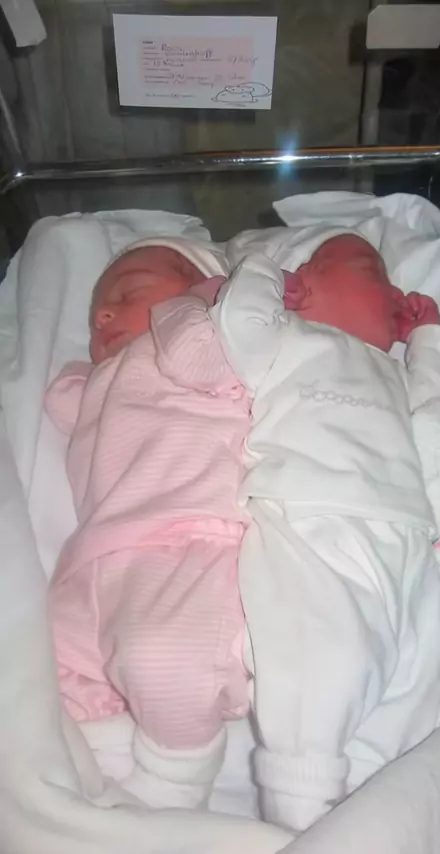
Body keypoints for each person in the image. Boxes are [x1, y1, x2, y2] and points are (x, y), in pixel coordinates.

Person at [211, 232, 440, 832]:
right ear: (304, 289)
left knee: (415, 670)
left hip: (408, 531)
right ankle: (300, 796)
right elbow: (241, 320)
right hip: (312, 515)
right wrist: (264, 271)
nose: (396, 290)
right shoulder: (291, 342)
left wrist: (429, 336)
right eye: (371, 270)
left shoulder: (391, 372)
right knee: (320, 652)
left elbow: (435, 396)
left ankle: (373, 803)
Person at [45, 237, 250, 809]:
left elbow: (226, 356)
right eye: (95, 315)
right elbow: (64, 403)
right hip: (94, 559)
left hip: (185, 541)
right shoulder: (104, 376)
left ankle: (179, 779)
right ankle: (108, 755)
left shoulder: (198, 348)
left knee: (162, 657)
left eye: (128, 292)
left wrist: (208, 305)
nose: (103, 315)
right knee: (42, 668)